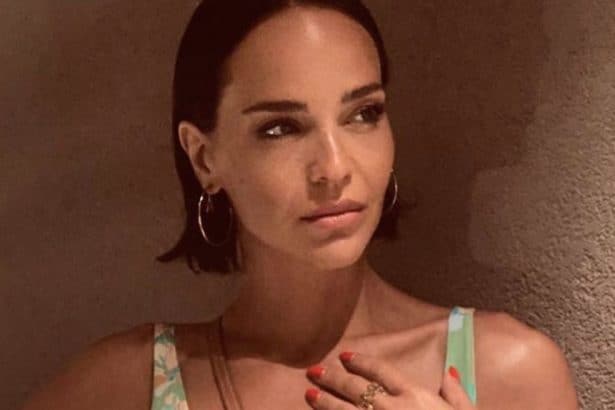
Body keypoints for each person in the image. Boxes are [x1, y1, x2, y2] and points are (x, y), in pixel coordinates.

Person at [23, 1, 579, 409]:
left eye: (363, 114)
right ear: (204, 158)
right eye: (281, 128)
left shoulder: (509, 372)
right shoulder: (128, 385)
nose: (334, 168)